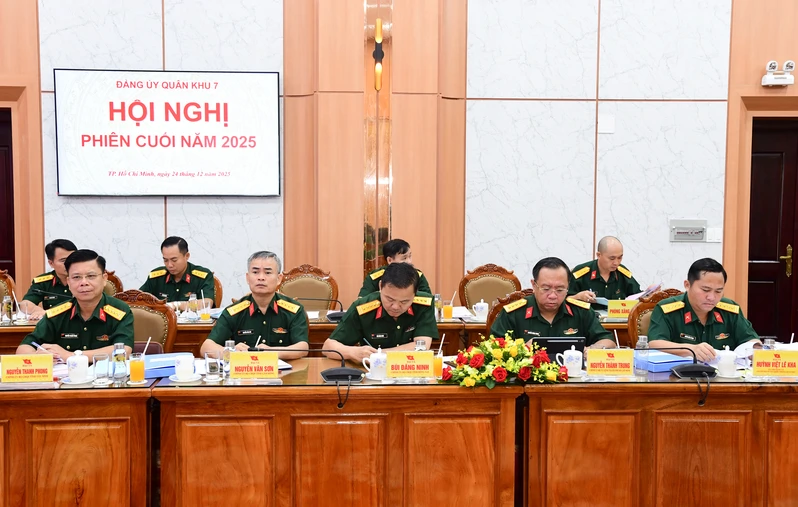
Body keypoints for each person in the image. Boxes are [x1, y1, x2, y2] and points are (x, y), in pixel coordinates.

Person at [17, 249, 133, 360]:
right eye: (76, 277)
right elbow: (23, 348)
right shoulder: (57, 314)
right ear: (69, 282)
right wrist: (39, 356)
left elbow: (123, 351)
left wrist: (71, 355)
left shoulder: (120, 311)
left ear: (104, 279)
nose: (84, 283)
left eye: (91, 276)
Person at [648, 258, 761, 363]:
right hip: (680, 375)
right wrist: (690, 349)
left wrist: (754, 351)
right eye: (705, 290)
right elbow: (655, 343)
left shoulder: (730, 309)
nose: (711, 297)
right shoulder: (667, 309)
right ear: (687, 285)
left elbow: (752, 340)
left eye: (718, 291)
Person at [201, 251, 308, 360]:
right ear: (248, 278)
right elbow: (206, 347)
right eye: (255, 272)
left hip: (283, 369)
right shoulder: (234, 312)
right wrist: (231, 353)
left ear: (279, 279)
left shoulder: (293, 310)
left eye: (268, 272)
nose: (261, 277)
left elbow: (303, 347)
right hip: (245, 369)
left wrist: (272, 352)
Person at [490, 257, 615, 349]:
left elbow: (608, 341)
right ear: (534, 285)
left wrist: (592, 349)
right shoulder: (513, 313)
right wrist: (522, 350)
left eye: (560, 290)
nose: (553, 296)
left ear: (568, 287)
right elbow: (494, 348)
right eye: (546, 289)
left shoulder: (581, 311)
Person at [324, 262, 438, 362]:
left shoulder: (424, 304)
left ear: (415, 294)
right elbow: (328, 347)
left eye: (404, 302)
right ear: (380, 286)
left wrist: (377, 355)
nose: (395, 307)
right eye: (390, 299)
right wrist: (353, 352)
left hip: (411, 370)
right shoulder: (362, 308)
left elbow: (422, 346)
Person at [139, 236, 215, 309]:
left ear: (187, 256)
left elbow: (207, 303)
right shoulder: (156, 277)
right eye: (165, 260)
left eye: (174, 260)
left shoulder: (202, 276)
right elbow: (138, 299)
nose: (169, 265)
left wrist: (176, 305)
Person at [569, 236, 641, 306]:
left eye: (619, 258)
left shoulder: (622, 273)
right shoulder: (581, 273)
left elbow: (639, 296)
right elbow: (565, 300)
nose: (616, 263)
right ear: (599, 255)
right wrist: (578, 297)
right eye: (612, 258)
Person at [19, 239, 78, 319]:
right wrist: (39, 311)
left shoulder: (85, 280)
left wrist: (50, 312)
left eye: (73, 259)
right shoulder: (44, 282)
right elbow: (25, 304)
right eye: (63, 260)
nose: (69, 263)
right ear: (51, 263)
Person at [358, 239, 431, 297]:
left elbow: (428, 300)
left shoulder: (418, 275)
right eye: (404, 258)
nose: (409, 261)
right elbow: (362, 302)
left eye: (410, 256)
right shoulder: (374, 278)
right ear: (390, 260)